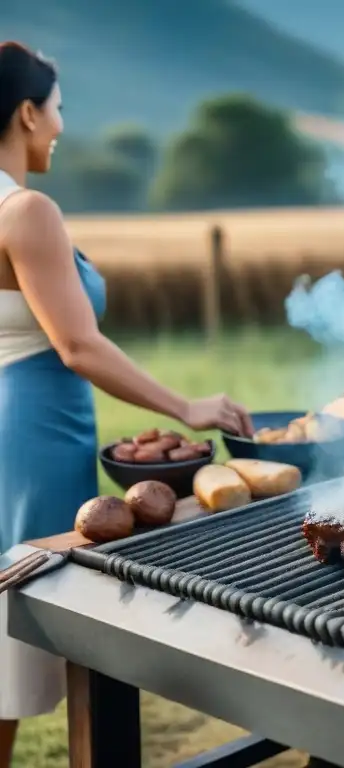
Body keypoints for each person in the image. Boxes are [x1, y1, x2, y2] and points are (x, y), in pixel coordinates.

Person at [0, 41, 254, 767]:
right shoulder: (27, 211)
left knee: (4, 629)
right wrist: (187, 406)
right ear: (26, 112)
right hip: (33, 435)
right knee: (22, 621)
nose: (59, 126)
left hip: (10, 424)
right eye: (56, 110)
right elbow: (79, 346)